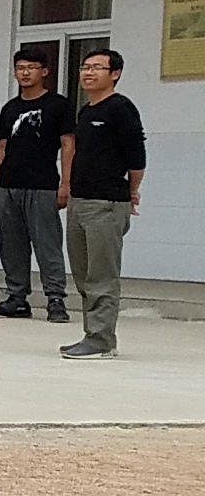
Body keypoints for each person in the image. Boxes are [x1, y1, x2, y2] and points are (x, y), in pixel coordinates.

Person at [62, 47, 144, 360]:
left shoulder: (121, 108)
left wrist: (132, 192)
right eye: (85, 67)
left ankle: (101, 341)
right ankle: (92, 333)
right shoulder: (87, 111)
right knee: (83, 274)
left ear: (115, 74)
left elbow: (137, 157)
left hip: (106, 203)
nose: (88, 72)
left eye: (97, 67)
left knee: (102, 276)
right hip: (80, 202)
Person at [0, 46, 73, 324]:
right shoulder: (10, 108)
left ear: (44, 71)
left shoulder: (58, 105)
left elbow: (68, 144)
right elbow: (2, 147)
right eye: (20, 68)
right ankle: (16, 298)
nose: (25, 73)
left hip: (43, 185)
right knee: (12, 245)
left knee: (47, 244)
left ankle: (56, 299)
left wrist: (66, 184)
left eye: (31, 67)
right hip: (8, 185)